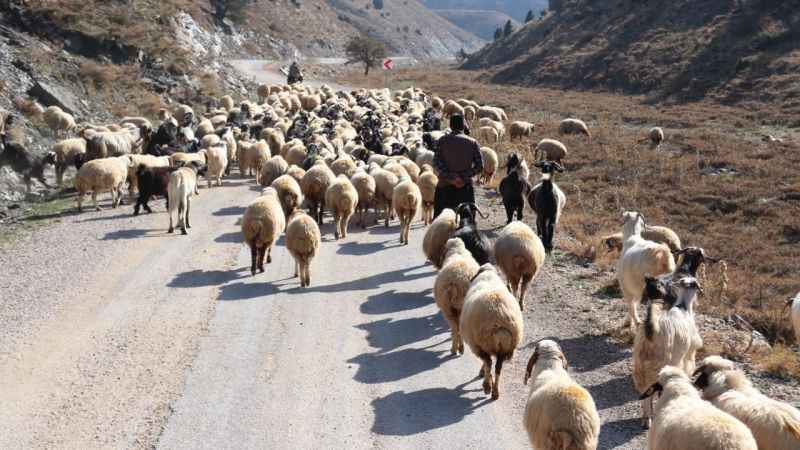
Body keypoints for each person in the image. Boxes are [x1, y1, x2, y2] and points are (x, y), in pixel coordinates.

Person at [433, 114, 483, 218]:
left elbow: (436, 162)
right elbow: (479, 166)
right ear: (463, 126)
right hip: (465, 189)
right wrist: (463, 177)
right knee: (467, 222)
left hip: (444, 187)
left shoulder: (442, 141)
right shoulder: (473, 143)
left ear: (450, 126)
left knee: (440, 221)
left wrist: (451, 177)